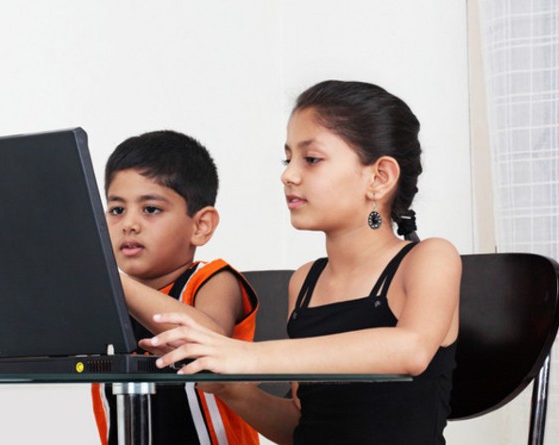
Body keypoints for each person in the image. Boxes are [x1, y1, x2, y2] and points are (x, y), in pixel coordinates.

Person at [144, 81, 462, 445]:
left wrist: (247, 356)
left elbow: (410, 351)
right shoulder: (305, 281)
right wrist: (232, 388)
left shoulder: (429, 258)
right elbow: (300, 427)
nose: (288, 175)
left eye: (311, 159)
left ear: (379, 177)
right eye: (288, 158)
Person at [90, 130, 260, 445]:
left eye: (150, 209)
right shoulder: (100, 300)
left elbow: (210, 339)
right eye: (116, 210)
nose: (129, 223)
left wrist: (116, 285)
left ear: (201, 225)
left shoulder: (213, 279)